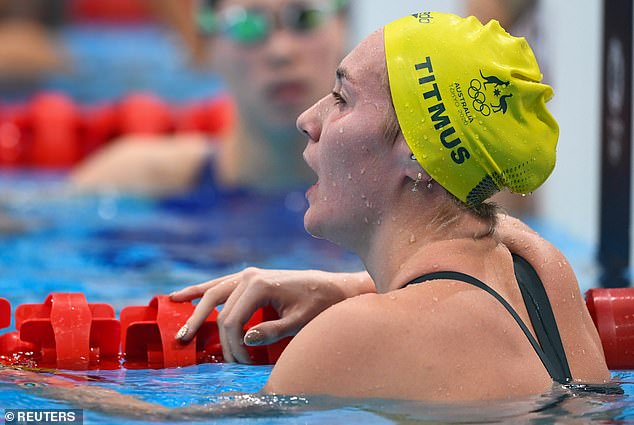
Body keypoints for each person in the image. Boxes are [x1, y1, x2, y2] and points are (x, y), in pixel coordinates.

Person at [7, 11, 613, 416]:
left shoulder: (362, 335)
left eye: (343, 98)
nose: (311, 117)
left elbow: (189, 421)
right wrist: (349, 284)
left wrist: (33, 383)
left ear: (417, 155)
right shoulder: (540, 266)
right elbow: (491, 228)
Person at [69, 0, 350, 198]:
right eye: (245, 25)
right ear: (204, 47)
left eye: (305, 17)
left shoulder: (388, 199)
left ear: (344, 28)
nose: (281, 50)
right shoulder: (132, 181)